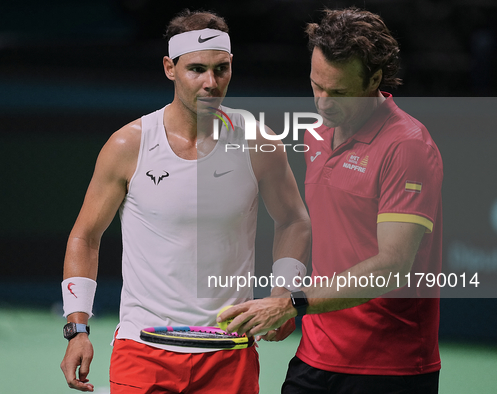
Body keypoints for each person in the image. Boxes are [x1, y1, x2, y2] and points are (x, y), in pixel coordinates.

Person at [59, 9, 311, 393]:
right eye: (196, 69)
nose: (211, 83)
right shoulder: (129, 144)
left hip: (229, 353)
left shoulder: (259, 142)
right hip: (143, 351)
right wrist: (77, 329)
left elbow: (294, 220)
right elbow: (85, 236)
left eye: (221, 69)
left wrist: (282, 295)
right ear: (169, 68)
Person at [218, 7, 443, 394]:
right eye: (316, 85)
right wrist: (288, 302)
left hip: (390, 370)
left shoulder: (407, 146)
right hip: (314, 356)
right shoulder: (318, 135)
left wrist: (293, 303)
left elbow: (392, 266)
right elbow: (331, 236)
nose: (322, 103)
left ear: (374, 79)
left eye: (338, 92)